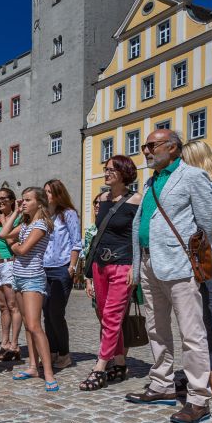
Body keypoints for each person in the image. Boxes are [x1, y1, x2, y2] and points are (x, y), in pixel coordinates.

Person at [125, 129, 212, 423]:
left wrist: (193, 259)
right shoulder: (152, 181)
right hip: (149, 264)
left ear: (174, 148)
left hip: (179, 266)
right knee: (156, 329)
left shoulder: (191, 176)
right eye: (144, 146)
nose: (147, 151)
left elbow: (208, 224)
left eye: (152, 145)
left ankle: (199, 398)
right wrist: (138, 264)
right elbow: (143, 223)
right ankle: (162, 384)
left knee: (192, 333)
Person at [80, 155, 142, 391]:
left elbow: (138, 237)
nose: (106, 173)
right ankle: (120, 363)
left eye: (110, 170)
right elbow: (99, 235)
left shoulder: (137, 200)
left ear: (123, 173)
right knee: (105, 316)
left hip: (123, 265)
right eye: (105, 169)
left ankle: (100, 368)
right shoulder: (103, 199)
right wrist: (88, 272)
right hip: (100, 265)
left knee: (113, 318)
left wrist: (135, 268)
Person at [181, 140, 212, 397]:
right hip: (189, 262)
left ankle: (210, 375)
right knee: (191, 322)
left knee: (208, 321)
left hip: (206, 263)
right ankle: (194, 373)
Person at [1, 187, 58, 392]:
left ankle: (48, 372)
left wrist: (14, 247)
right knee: (26, 325)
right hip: (18, 277)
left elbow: (22, 250)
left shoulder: (41, 224)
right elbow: (4, 234)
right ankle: (33, 367)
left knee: (35, 326)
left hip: (33, 279)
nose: (23, 203)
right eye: (22, 200)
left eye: (27, 200)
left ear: (39, 203)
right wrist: (15, 212)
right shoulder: (26, 223)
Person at [42, 179, 81, 370]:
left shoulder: (69, 214)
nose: (46, 195)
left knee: (56, 313)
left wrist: (71, 267)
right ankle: (52, 352)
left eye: (49, 192)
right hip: (44, 268)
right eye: (44, 192)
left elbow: (76, 242)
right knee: (46, 314)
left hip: (62, 268)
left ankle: (64, 354)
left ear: (58, 194)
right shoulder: (44, 216)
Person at [0, 188, 22, 362]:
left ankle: (15, 345)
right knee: (2, 306)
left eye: (4, 198)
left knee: (13, 305)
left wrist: (5, 221)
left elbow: (14, 241)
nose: (0, 201)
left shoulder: (17, 218)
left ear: (12, 200)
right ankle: (5, 342)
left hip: (10, 263)